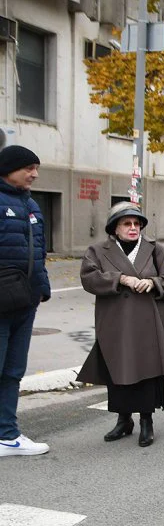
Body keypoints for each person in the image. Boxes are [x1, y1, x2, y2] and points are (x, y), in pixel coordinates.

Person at [77, 202, 164, 448]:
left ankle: (147, 421)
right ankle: (124, 420)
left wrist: (153, 282)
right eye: (127, 224)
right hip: (116, 320)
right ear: (115, 228)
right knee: (119, 368)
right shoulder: (97, 250)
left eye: (137, 224)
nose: (133, 228)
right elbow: (89, 278)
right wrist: (121, 279)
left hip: (150, 320)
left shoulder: (155, 249)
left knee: (147, 370)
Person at [0, 146, 51, 457]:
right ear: (8, 168)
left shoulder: (31, 205)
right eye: (29, 168)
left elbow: (39, 252)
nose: (34, 174)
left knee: (13, 370)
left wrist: (42, 289)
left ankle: (7, 435)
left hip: (25, 302)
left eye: (36, 167)